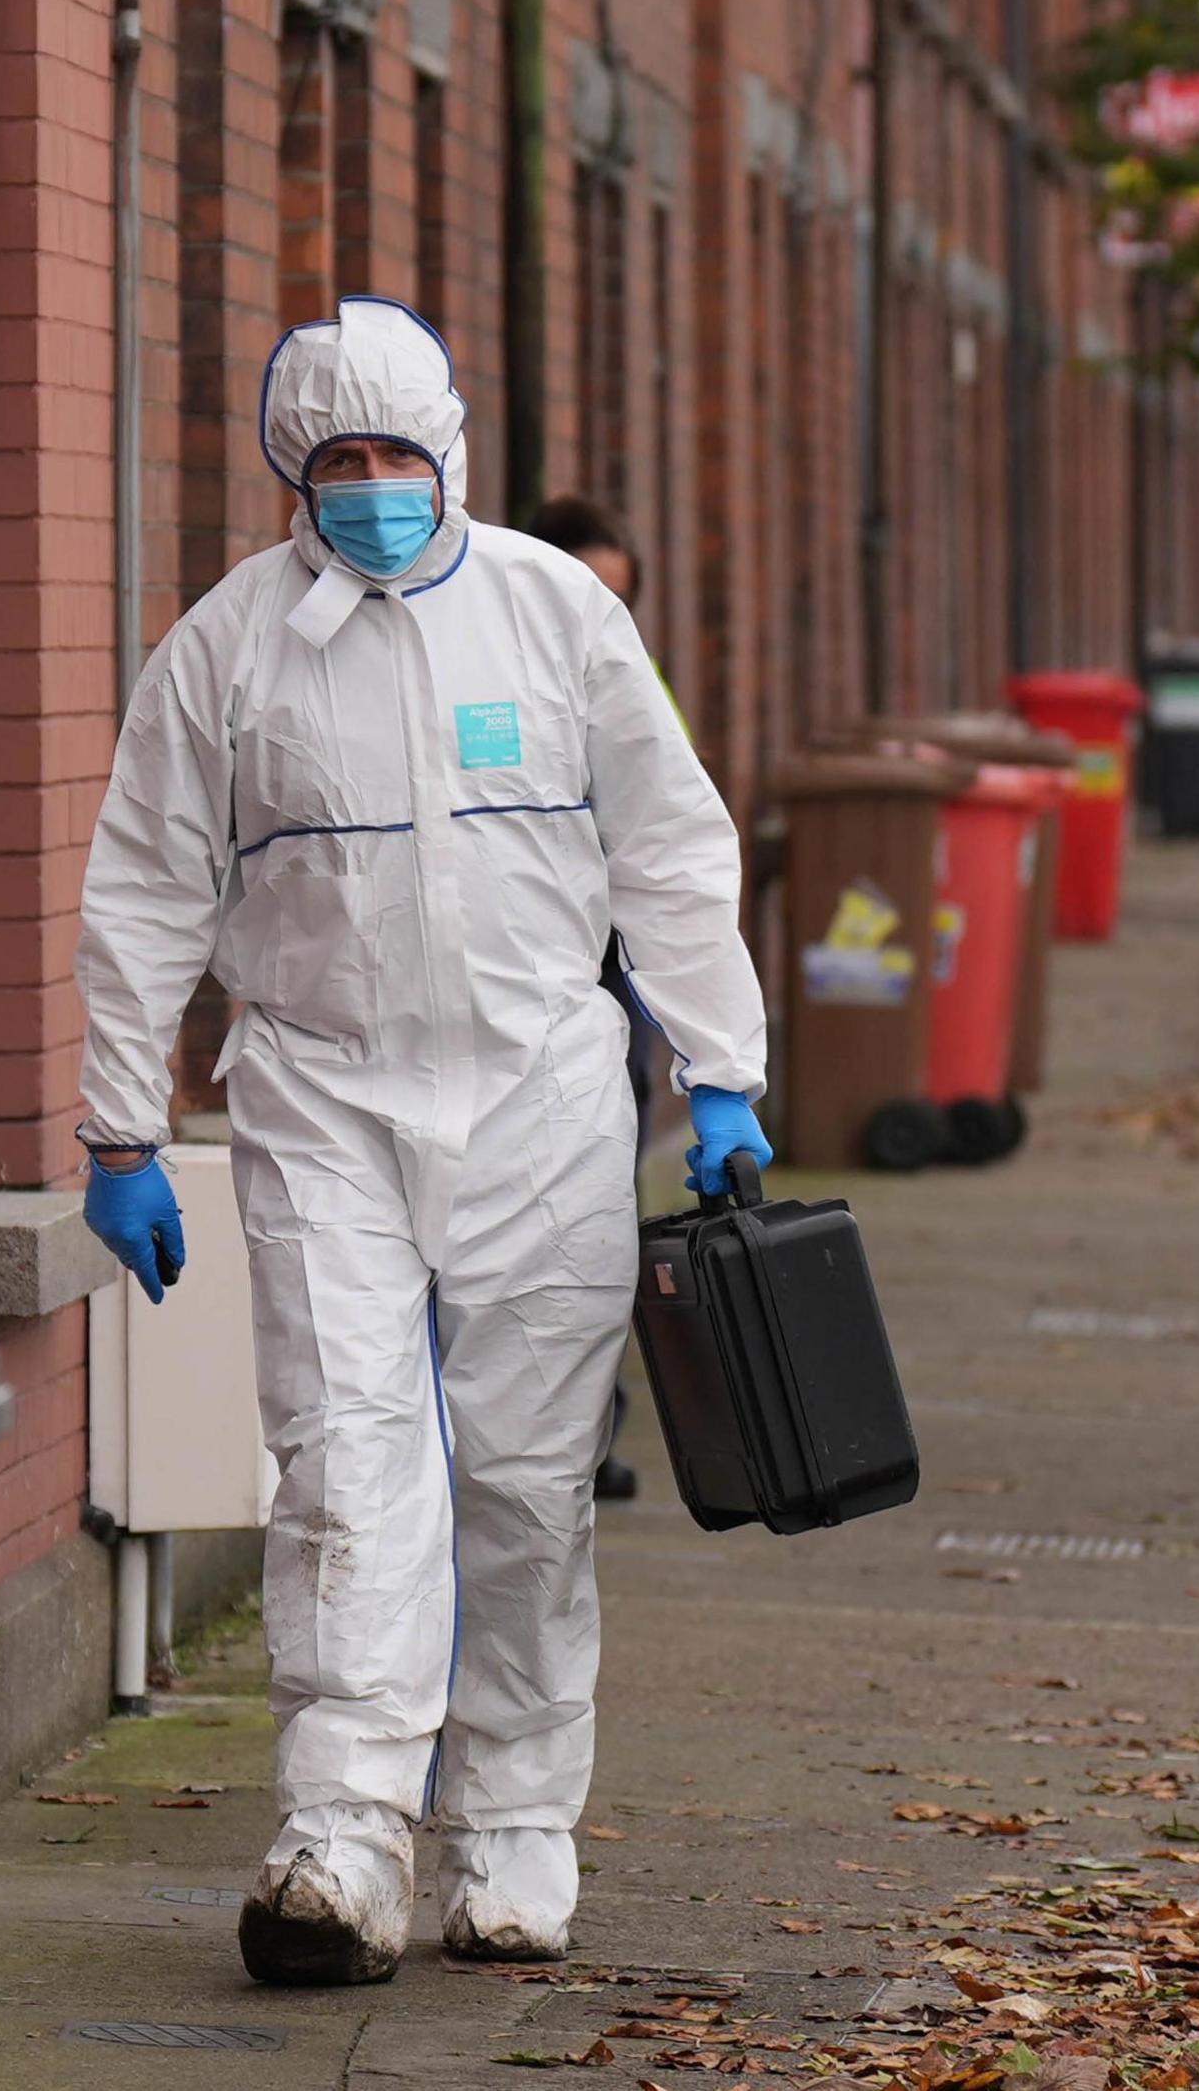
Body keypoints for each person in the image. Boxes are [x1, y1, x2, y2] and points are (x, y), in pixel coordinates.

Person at [72, 298, 773, 1986]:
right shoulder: (229, 650)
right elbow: (149, 886)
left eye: (399, 457)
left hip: (541, 1090)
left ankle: (515, 1828)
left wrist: (723, 1061)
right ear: (287, 477)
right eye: (340, 463)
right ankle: (344, 1829)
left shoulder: (555, 614)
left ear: (449, 456)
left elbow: (669, 840)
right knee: (347, 1463)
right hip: (322, 1095)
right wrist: (118, 1126)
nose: (374, 488)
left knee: (529, 1480)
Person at [523, 496, 668, 1507]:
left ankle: (591, 1427)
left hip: (606, 992)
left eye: (616, 596)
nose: (598, 611)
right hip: (515, 992)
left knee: (596, 1214)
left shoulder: (633, 692)